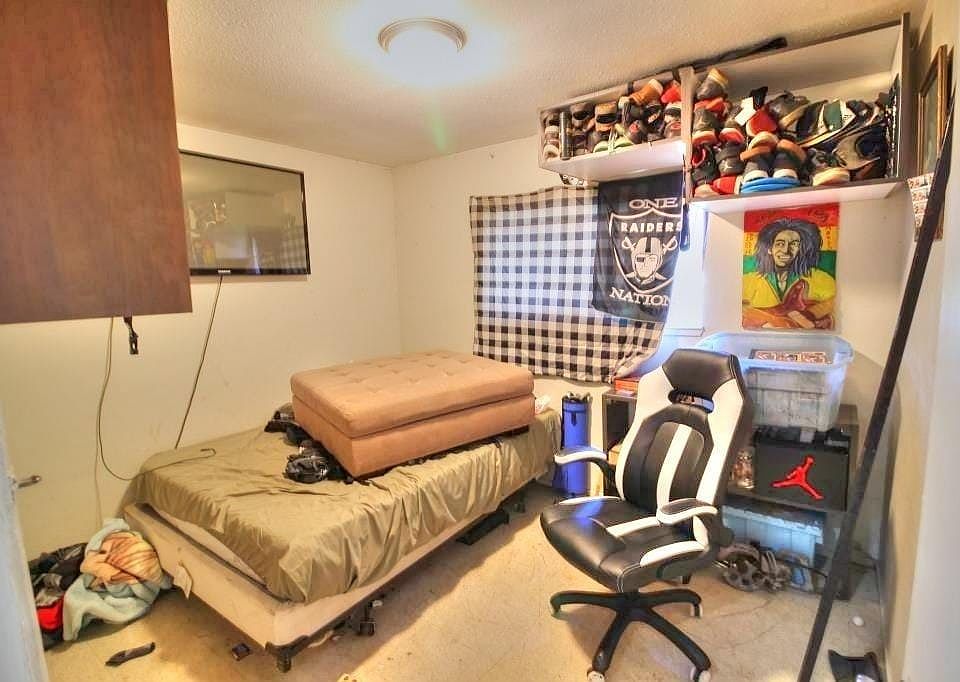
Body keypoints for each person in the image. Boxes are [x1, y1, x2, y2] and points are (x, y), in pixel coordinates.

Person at [742, 217, 836, 329]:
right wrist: (775, 318)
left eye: (794, 244)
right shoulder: (748, 281)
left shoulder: (821, 279)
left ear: (801, 249)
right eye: (780, 244)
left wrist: (812, 313)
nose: (786, 250)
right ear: (769, 249)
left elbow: (834, 303)